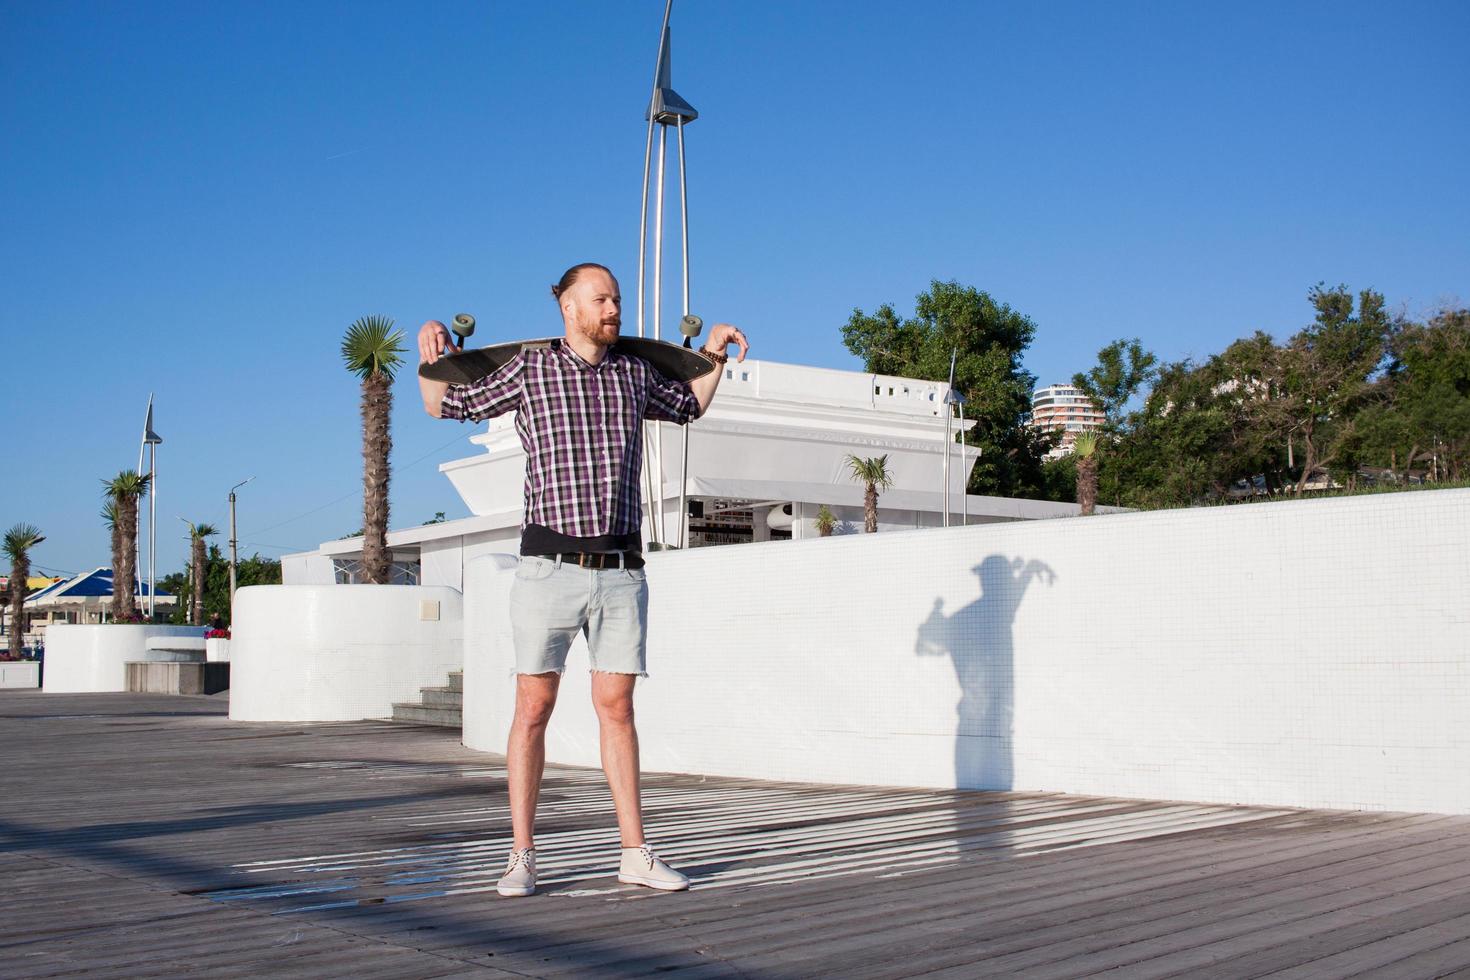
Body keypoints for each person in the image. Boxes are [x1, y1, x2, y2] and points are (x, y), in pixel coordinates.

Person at [417, 263, 748, 897]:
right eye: (602, 298)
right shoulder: (531, 369)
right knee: (533, 707)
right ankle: (521, 855)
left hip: (622, 571)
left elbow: (689, 405)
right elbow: (445, 405)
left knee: (617, 709)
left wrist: (713, 351)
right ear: (569, 308)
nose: (614, 307)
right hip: (547, 570)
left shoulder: (633, 372)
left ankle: (635, 852)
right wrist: (430, 354)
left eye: (617, 298)